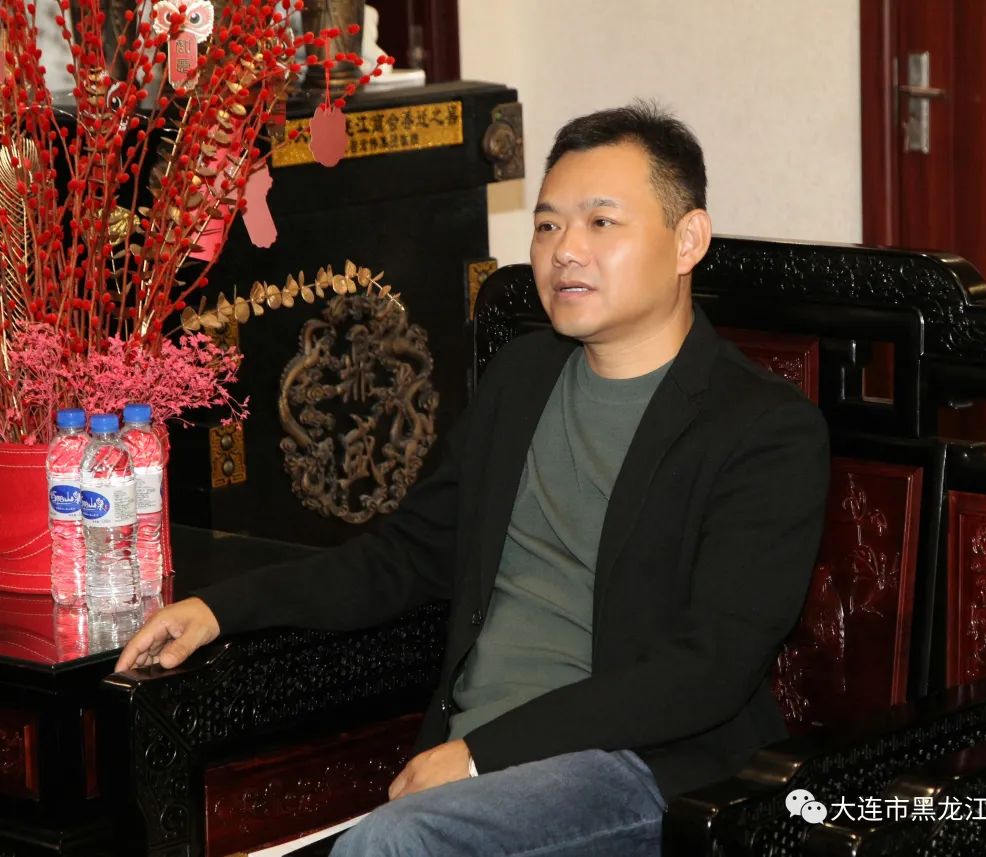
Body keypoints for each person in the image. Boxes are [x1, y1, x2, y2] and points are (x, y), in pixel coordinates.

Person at [118, 102, 830, 857]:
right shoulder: (524, 378)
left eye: (601, 222)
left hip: (642, 770)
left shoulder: (762, 428)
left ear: (688, 240)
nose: (565, 251)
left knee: (398, 845)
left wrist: (483, 754)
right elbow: (405, 556)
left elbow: (707, 669)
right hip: (471, 760)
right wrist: (221, 609)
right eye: (548, 225)